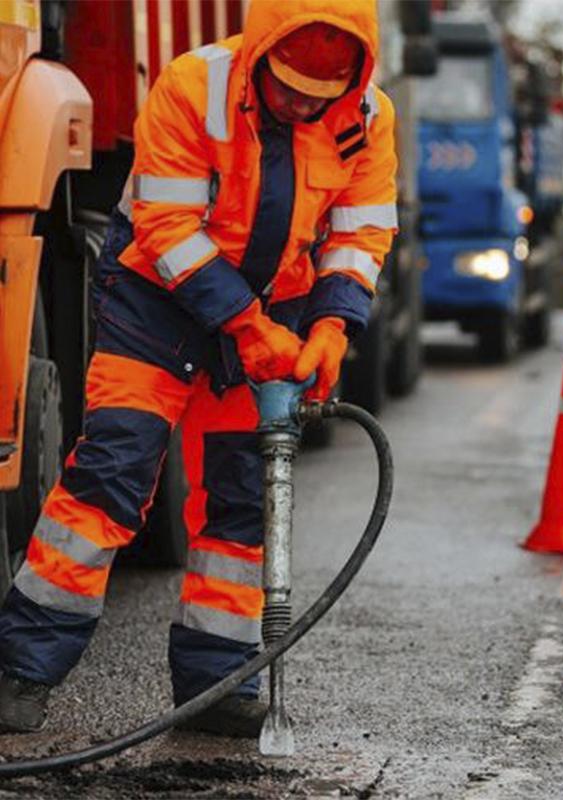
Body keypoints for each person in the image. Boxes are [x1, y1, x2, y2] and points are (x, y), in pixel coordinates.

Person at [0, 0, 397, 737]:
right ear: (261, 53)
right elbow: (165, 228)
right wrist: (248, 328)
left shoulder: (368, 117)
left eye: (320, 95)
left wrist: (334, 326)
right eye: (288, 89)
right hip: (155, 306)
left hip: (274, 313)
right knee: (110, 477)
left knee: (242, 500)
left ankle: (217, 682)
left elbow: (359, 230)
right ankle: (21, 669)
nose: (302, 105)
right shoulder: (191, 86)